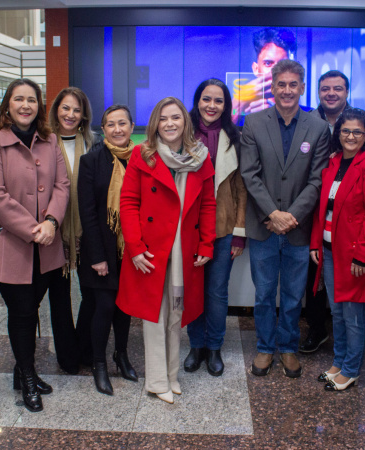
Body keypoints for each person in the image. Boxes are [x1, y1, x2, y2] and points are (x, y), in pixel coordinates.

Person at [0, 78, 69, 413]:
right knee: (22, 311)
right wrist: (34, 228)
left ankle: (22, 369)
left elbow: (62, 185)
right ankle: (28, 377)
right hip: (11, 244)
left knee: (33, 307)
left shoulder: (50, 139)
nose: (26, 105)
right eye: (19, 99)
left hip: (47, 244)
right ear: (8, 105)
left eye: (32, 100)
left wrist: (52, 223)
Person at [117, 97, 216, 404]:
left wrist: (206, 243)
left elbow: (208, 204)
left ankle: (172, 376)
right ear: (155, 124)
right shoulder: (141, 155)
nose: (170, 124)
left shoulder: (201, 157)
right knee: (154, 315)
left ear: (185, 122)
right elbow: (128, 202)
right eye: (163, 118)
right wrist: (134, 246)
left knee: (176, 312)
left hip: (184, 250)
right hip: (150, 250)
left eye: (176, 117)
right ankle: (157, 380)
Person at [240, 59, 330, 378]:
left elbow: (318, 179)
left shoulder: (318, 127)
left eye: (294, 84)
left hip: (298, 228)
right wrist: (273, 214)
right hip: (264, 226)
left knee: (293, 295)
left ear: (302, 88)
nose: (287, 90)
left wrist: (291, 216)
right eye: (282, 84)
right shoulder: (253, 123)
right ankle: (265, 348)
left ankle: (289, 348)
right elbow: (249, 174)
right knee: (264, 293)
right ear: (273, 87)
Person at [302, 70, 365, 354]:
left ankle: (350, 363)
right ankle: (323, 338)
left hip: (352, 237)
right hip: (322, 230)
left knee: (350, 310)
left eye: (338, 88)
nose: (331, 93)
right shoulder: (311, 125)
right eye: (325, 88)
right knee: (325, 298)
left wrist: (362, 253)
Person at [310, 108, 365, 391]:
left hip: (353, 254)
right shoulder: (332, 164)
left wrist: (362, 255)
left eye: (357, 132)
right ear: (337, 133)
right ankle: (339, 361)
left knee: (354, 316)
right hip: (329, 251)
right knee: (337, 312)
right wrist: (316, 243)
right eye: (345, 131)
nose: (350, 136)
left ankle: (351, 369)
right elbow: (323, 210)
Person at [183, 79, 246, 377]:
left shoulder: (236, 138)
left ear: (226, 105)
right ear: (197, 101)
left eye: (218, 101)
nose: (211, 105)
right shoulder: (182, 135)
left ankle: (215, 347)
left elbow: (241, 190)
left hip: (222, 229)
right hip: (189, 230)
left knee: (217, 293)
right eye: (206, 99)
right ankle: (196, 346)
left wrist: (239, 234)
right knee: (193, 290)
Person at [77, 104, 138, 395]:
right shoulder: (91, 162)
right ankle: (99, 364)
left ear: (131, 126)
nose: (117, 129)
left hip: (130, 249)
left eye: (122, 123)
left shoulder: (141, 159)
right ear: (103, 130)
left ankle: (121, 354)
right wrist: (98, 257)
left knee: (125, 306)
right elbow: (87, 213)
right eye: (111, 124)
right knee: (103, 306)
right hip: (101, 249)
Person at [46, 86, 101, 374]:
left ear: (84, 115)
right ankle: (67, 355)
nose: (70, 114)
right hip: (53, 232)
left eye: (76, 110)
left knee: (91, 294)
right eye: (65, 108)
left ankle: (85, 348)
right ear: (57, 110)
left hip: (85, 232)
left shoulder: (93, 143)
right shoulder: (43, 143)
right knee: (59, 296)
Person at [232, 27, 297, 125]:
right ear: (256, 69)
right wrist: (239, 103)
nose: (276, 71)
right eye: (268, 63)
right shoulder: (243, 114)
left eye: (284, 63)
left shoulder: (308, 116)